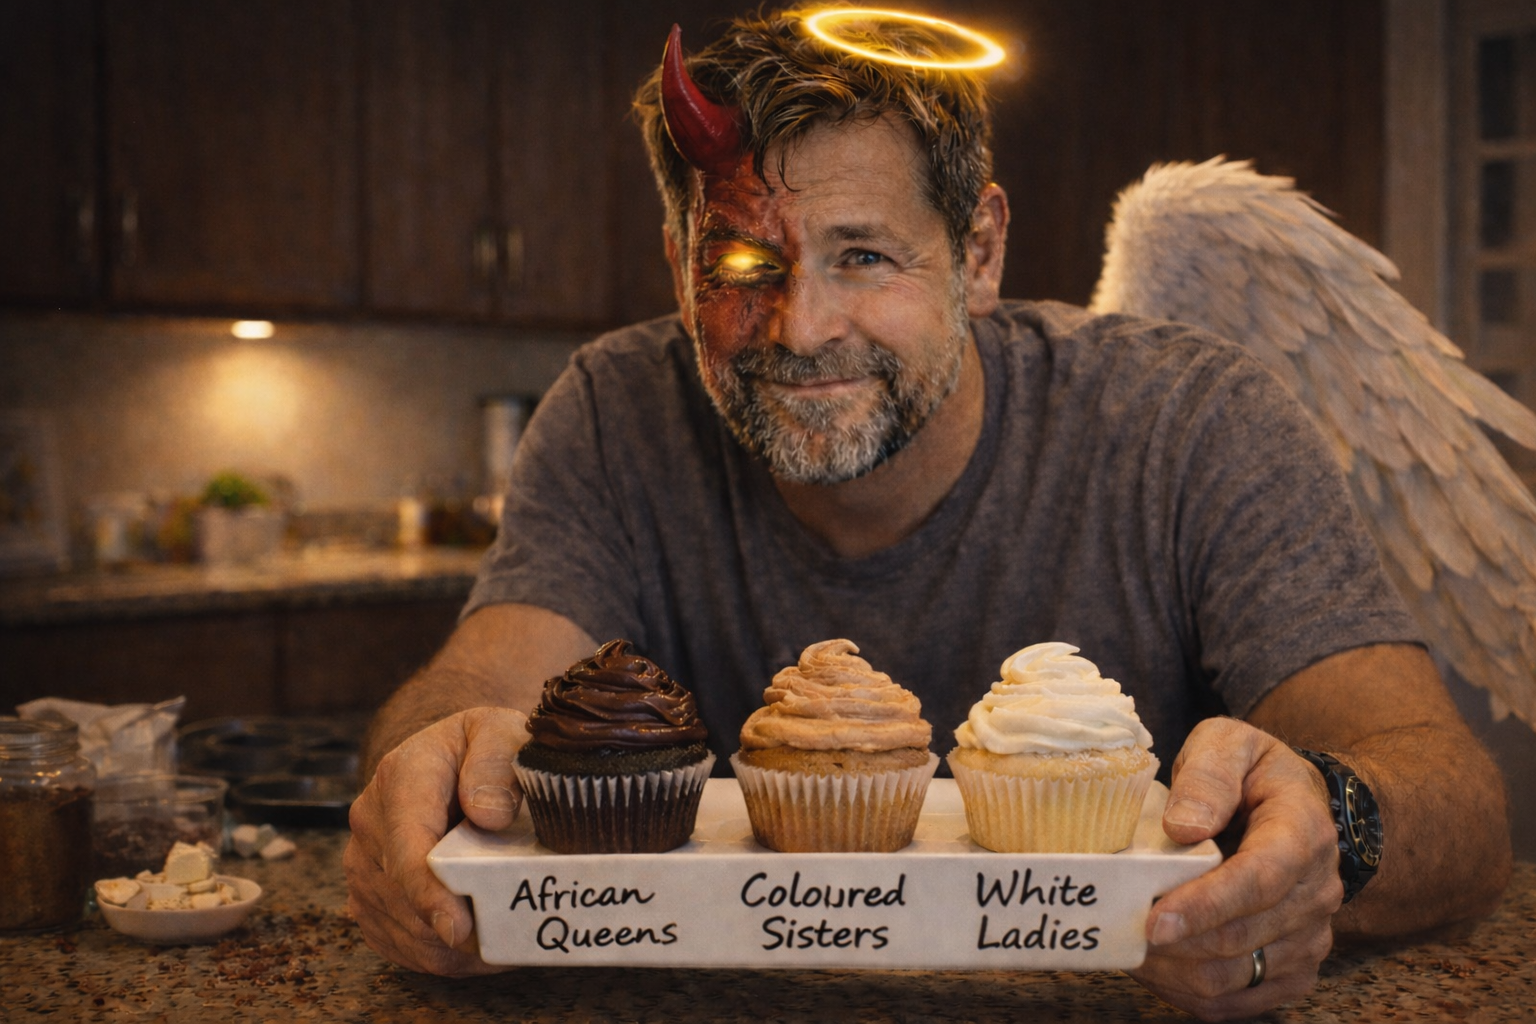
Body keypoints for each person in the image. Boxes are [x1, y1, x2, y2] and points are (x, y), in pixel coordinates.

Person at [344, 9, 1510, 1020]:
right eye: (743, 264)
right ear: (675, 262)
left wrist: (1330, 837)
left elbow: (1450, 787)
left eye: (863, 255)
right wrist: (431, 772)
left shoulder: (1191, 422)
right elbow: (480, 688)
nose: (802, 328)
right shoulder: (616, 409)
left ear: (980, 252)